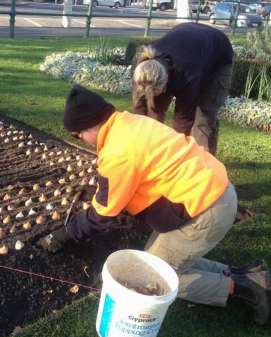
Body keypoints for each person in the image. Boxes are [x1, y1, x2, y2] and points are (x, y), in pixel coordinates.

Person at [40, 85, 271, 326]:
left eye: (77, 135)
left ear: (91, 126)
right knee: (157, 258)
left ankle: (245, 289)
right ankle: (245, 274)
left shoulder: (117, 152)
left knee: (153, 279)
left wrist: (65, 233)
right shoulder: (130, 122)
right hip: (215, 193)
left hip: (204, 212)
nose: (81, 141)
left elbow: (102, 215)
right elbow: (133, 177)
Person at [131, 23, 233, 156]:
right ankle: (149, 153)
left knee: (204, 118)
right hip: (190, 45)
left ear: (166, 79)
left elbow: (183, 120)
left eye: (156, 92)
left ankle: (204, 166)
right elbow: (139, 112)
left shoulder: (186, 75)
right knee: (154, 110)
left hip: (217, 56)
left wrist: (174, 154)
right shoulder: (141, 69)